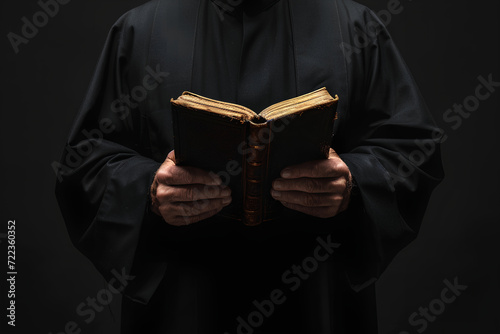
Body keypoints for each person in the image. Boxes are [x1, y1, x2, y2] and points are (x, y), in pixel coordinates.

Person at [55, 0, 444, 333]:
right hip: (182, 302)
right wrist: (149, 190)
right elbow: (83, 163)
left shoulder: (353, 25)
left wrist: (355, 181)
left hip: (317, 296)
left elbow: (414, 149)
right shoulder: (141, 30)